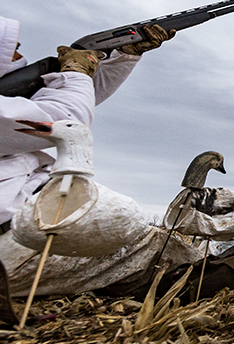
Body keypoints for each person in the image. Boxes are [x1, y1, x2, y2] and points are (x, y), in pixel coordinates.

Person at [0, 17, 172, 229]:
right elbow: (67, 116)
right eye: (11, 50)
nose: (19, 57)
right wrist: (75, 72)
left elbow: (84, 98)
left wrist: (124, 55)